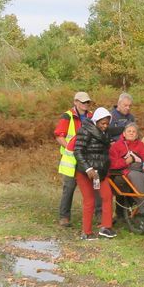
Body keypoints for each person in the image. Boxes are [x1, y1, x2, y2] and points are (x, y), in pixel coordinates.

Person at [73, 107, 116, 240]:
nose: (105, 126)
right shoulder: (85, 130)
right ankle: (86, 232)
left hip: (100, 172)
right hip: (84, 172)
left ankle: (106, 228)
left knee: (107, 196)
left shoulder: (106, 133)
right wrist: (88, 169)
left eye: (107, 123)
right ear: (96, 121)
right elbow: (78, 151)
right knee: (89, 200)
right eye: (102, 123)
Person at [54, 91, 93, 227]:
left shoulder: (91, 116)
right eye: (83, 102)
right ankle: (64, 217)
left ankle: (100, 216)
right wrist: (71, 149)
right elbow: (59, 136)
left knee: (95, 185)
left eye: (87, 102)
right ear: (75, 102)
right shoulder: (68, 116)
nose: (86, 104)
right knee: (69, 187)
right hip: (70, 159)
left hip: (87, 158)